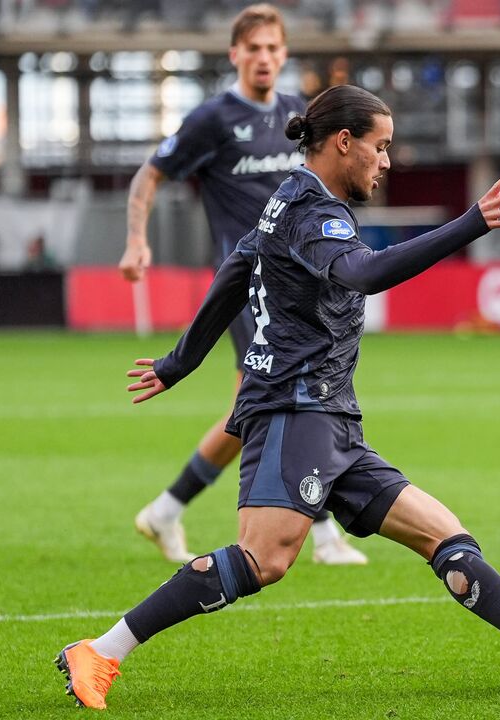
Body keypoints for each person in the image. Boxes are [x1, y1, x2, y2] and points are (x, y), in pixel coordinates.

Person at [54, 85, 500, 709]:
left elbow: (235, 271)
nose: (388, 162)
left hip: (330, 417)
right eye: (380, 148)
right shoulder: (315, 214)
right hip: (292, 410)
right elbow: (365, 274)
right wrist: (470, 224)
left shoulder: (290, 199)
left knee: (444, 535)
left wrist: (179, 362)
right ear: (343, 142)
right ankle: (102, 651)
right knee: (262, 559)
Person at [120, 3, 366, 565]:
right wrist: (137, 240)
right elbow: (151, 170)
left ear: (284, 54)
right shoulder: (214, 119)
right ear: (235, 54)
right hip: (249, 284)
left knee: (270, 397)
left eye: (273, 48)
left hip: (301, 287)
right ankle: (323, 531)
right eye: (252, 48)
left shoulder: (296, 116)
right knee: (286, 393)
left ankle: (168, 509)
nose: (263, 57)